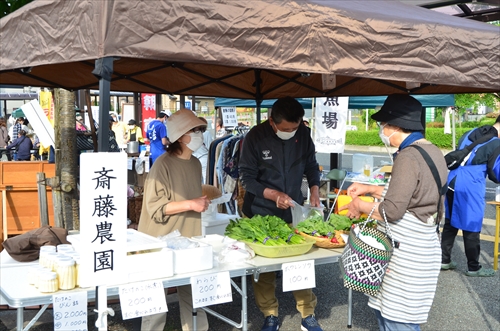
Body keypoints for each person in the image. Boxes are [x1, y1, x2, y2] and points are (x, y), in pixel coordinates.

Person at [339, 94, 448, 331]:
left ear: (396, 125)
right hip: (423, 247)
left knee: (398, 320)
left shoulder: (408, 157)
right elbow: (414, 193)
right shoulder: (431, 150)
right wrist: (371, 188)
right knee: (395, 316)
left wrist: (360, 206)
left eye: (384, 124)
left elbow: (393, 209)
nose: (382, 129)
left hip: (407, 255)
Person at [239, 96, 323, 331]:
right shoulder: (255, 137)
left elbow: (311, 165)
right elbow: (246, 177)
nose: (291, 132)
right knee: (265, 266)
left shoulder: (303, 134)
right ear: (272, 122)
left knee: (301, 260)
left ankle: (307, 314)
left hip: (294, 209)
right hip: (261, 212)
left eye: (295, 127)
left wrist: (315, 189)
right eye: (286, 129)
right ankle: (270, 314)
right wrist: (273, 195)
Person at [138, 109, 210, 331]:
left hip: (189, 238)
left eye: (200, 130)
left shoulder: (195, 163)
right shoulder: (162, 165)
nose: (199, 134)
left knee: (195, 295)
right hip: (159, 240)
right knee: (155, 303)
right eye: (194, 130)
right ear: (180, 135)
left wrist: (203, 198)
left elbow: (188, 193)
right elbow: (155, 208)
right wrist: (191, 204)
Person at [440, 117, 500, 277]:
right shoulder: (496, 143)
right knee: (471, 225)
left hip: (452, 179)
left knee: (450, 222)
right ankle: (474, 267)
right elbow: (495, 173)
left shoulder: (471, 131)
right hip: (470, 184)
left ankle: (444, 260)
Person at [192, 117, 212, 184]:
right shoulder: (206, 133)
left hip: (194, 158)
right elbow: (209, 147)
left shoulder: (192, 134)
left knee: (197, 180)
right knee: (206, 179)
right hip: (204, 158)